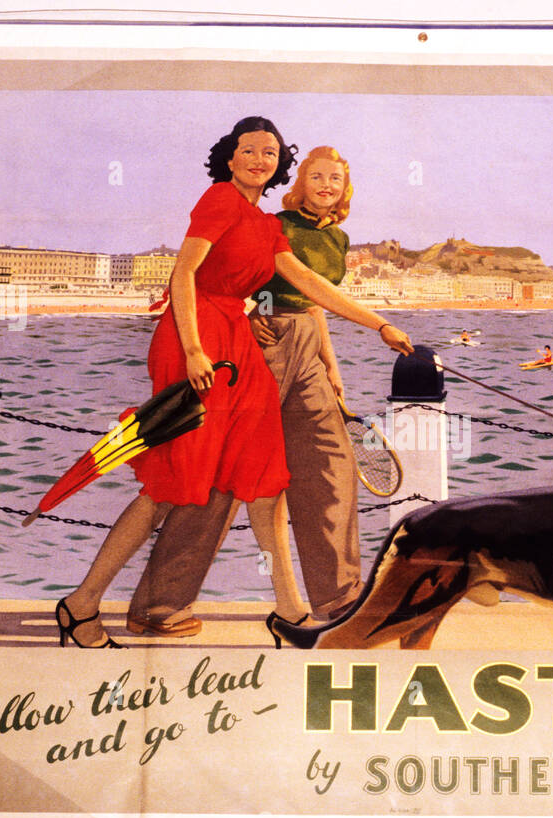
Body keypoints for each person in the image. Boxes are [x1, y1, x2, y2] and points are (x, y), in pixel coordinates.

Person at [55, 119, 412, 648]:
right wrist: (198, 348)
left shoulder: (268, 226)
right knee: (177, 484)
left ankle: (293, 610)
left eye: (270, 152)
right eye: (249, 150)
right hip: (200, 343)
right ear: (230, 157)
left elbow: (309, 287)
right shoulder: (221, 200)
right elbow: (184, 276)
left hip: (240, 347)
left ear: (278, 165)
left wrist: (379, 325)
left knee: (263, 476)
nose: (259, 159)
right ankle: (92, 603)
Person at [125, 145, 371, 636]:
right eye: (316, 177)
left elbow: (315, 298)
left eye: (336, 180)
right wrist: (250, 315)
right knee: (223, 470)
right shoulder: (273, 223)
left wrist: (331, 363)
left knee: (330, 461)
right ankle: (160, 602)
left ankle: (338, 596)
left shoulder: (337, 239)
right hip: (261, 345)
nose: (326, 186)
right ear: (298, 182)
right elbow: (240, 278)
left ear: (346, 189)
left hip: (307, 350)